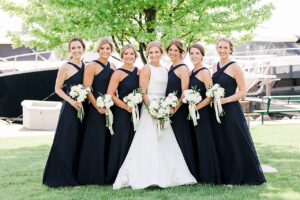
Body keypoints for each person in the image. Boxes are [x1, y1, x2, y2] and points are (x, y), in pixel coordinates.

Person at [113, 41, 196, 189]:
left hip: (163, 108)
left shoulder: (165, 69)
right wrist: (151, 108)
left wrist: (164, 108)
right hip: (149, 108)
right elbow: (142, 91)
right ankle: (145, 175)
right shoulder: (146, 68)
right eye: (151, 52)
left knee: (165, 141)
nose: (154, 55)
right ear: (147, 54)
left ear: (161, 53)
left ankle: (167, 175)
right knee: (147, 140)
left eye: (156, 52)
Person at [212, 38, 266, 185]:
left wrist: (225, 100)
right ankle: (226, 176)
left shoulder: (235, 67)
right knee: (222, 143)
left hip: (231, 110)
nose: (222, 50)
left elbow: (243, 91)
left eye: (225, 48)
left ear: (230, 49)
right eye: (220, 47)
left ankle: (239, 176)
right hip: (216, 110)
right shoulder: (214, 65)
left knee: (235, 142)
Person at [43, 38, 86, 188]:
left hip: (84, 109)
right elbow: (58, 89)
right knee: (67, 143)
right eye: (73, 48)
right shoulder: (65, 67)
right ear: (70, 51)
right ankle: (63, 178)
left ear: (83, 49)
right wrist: (71, 101)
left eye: (79, 47)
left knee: (79, 143)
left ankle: (76, 175)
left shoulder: (86, 66)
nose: (76, 50)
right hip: (70, 110)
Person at [77, 38, 115, 185]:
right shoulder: (92, 66)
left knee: (107, 139)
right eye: (103, 48)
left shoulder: (113, 65)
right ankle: (90, 175)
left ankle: (105, 174)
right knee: (95, 140)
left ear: (111, 50)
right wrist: (97, 106)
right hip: (95, 109)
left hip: (110, 107)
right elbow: (87, 89)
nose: (105, 51)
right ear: (98, 50)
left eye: (108, 49)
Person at [106, 44, 140, 184]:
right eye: (126, 54)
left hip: (138, 112)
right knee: (121, 141)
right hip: (122, 112)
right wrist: (126, 107)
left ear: (135, 56)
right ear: (122, 56)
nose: (129, 56)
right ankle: (116, 174)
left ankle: (134, 174)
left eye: (132, 54)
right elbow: (110, 94)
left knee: (135, 141)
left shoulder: (140, 71)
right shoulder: (118, 73)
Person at [188, 43, 220, 184]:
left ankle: (210, 176)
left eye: (197, 53)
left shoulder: (204, 72)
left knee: (204, 142)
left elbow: (211, 95)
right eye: (192, 53)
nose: (194, 56)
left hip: (204, 114)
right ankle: (200, 175)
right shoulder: (191, 72)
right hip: (193, 113)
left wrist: (198, 107)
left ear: (202, 55)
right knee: (197, 143)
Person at [165, 39, 197, 179]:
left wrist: (175, 108)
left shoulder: (182, 68)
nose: (172, 52)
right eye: (170, 50)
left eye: (175, 50)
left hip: (179, 110)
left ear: (181, 52)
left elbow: (185, 92)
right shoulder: (171, 67)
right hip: (169, 109)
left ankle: (189, 171)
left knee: (182, 139)